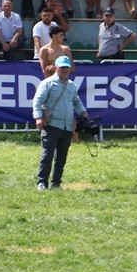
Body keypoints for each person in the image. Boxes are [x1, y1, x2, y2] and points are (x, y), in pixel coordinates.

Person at [32, 56, 89, 191]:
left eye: (67, 67)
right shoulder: (47, 83)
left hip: (67, 126)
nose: (65, 70)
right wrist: (38, 117)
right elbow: (37, 101)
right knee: (47, 155)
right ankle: (42, 182)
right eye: (62, 67)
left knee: (62, 157)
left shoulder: (72, 85)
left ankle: (56, 183)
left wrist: (83, 112)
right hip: (51, 125)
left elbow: (76, 101)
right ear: (56, 68)